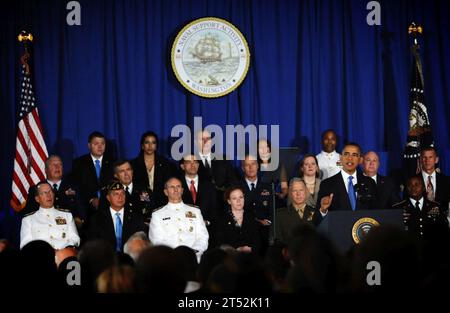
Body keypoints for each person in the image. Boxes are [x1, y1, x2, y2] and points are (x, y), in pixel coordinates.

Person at [148, 177, 209, 262]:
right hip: (169, 260)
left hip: (193, 259)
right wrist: (173, 255)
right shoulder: (157, 214)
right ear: (166, 192)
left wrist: (191, 253)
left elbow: (202, 236)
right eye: (172, 187)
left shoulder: (195, 211)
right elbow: (156, 241)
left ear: (182, 190)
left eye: (178, 186)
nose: (176, 189)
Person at [316, 143, 378, 223]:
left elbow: (377, 213)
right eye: (346, 154)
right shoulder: (327, 184)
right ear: (340, 158)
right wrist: (323, 210)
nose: (350, 158)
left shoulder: (369, 183)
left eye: (354, 155)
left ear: (360, 160)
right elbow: (316, 220)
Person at [22, 155, 85, 227]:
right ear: (45, 170)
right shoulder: (35, 189)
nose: (57, 167)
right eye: (53, 165)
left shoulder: (75, 187)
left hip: (70, 227)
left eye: (60, 164)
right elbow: (30, 214)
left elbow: (82, 212)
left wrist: (78, 221)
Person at [20, 182, 80, 249]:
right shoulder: (28, 220)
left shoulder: (67, 215)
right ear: (37, 199)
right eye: (44, 193)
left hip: (64, 254)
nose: (49, 195)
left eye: (50, 192)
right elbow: (25, 245)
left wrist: (64, 250)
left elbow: (75, 239)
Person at [88, 181, 146, 252]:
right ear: (108, 198)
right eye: (116, 194)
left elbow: (142, 241)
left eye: (122, 194)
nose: (120, 197)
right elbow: (94, 244)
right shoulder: (97, 219)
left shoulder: (135, 217)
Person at [71, 131, 114, 219]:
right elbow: (77, 186)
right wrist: (91, 199)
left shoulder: (113, 162)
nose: (100, 146)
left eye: (102, 143)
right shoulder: (79, 163)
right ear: (89, 145)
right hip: (86, 208)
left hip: (109, 206)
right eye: (96, 143)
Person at [131, 131, 176, 210]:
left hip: (162, 204)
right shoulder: (134, 164)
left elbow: (168, 184)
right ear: (142, 146)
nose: (150, 146)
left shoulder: (165, 164)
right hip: (140, 204)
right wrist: (146, 200)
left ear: (156, 146)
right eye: (147, 142)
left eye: (153, 143)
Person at [237, 155, 274, 253]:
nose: (250, 167)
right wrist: (257, 222)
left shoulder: (268, 187)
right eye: (247, 165)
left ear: (258, 166)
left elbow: (272, 211)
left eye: (253, 164)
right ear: (242, 168)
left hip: (265, 233)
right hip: (244, 232)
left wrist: (269, 223)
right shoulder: (236, 187)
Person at [215, 186, 261, 254]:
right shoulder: (222, 219)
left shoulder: (252, 217)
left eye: (241, 197)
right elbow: (220, 244)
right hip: (229, 260)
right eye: (234, 198)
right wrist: (236, 250)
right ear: (229, 201)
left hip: (251, 259)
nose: (238, 201)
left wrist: (251, 250)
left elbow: (258, 243)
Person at [179, 154, 218, 234]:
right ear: (182, 166)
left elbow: (215, 210)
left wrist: (207, 222)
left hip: (207, 231)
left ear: (198, 165)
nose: (193, 165)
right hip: (183, 232)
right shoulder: (176, 186)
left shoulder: (209, 185)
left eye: (195, 162)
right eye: (189, 162)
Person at [195, 129, 237, 198]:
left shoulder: (223, 159)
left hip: (222, 202)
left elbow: (232, 182)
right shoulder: (191, 159)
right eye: (202, 139)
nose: (205, 142)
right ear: (196, 142)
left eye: (208, 138)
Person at [275, 178, 318, 245]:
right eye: (295, 190)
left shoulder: (316, 213)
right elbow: (276, 241)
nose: (298, 194)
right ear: (290, 193)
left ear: (306, 192)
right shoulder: (279, 214)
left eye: (301, 190)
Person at [418, 147, 450, 211]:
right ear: (420, 160)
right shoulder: (411, 181)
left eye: (430, 157)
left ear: (436, 160)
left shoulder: (447, 181)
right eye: (424, 157)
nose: (427, 161)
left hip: (442, 219)